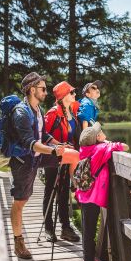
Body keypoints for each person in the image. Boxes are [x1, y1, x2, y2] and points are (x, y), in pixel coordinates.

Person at [9, 72, 67, 259]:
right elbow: (30, 142)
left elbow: (43, 136)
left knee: (68, 156)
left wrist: (57, 144)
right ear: (32, 90)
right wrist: (52, 151)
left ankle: (77, 190)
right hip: (23, 161)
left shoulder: (38, 110)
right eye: (43, 88)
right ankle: (18, 242)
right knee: (20, 201)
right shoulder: (21, 112)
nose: (46, 92)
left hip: (35, 157)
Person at [75, 122, 129, 261]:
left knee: (87, 230)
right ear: (98, 137)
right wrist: (107, 142)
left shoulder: (85, 149)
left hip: (84, 195)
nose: (103, 132)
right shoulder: (100, 149)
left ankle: (89, 259)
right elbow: (125, 147)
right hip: (92, 197)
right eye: (100, 132)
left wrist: (102, 141)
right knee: (89, 232)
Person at [43, 81, 81, 242]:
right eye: (71, 92)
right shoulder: (52, 113)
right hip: (53, 157)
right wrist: (58, 145)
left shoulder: (72, 111)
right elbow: (42, 135)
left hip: (68, 156)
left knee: (64, 192)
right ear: (64, 96)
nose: (74, 95)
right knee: (50, 191)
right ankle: (48, 228)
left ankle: (65, 227)